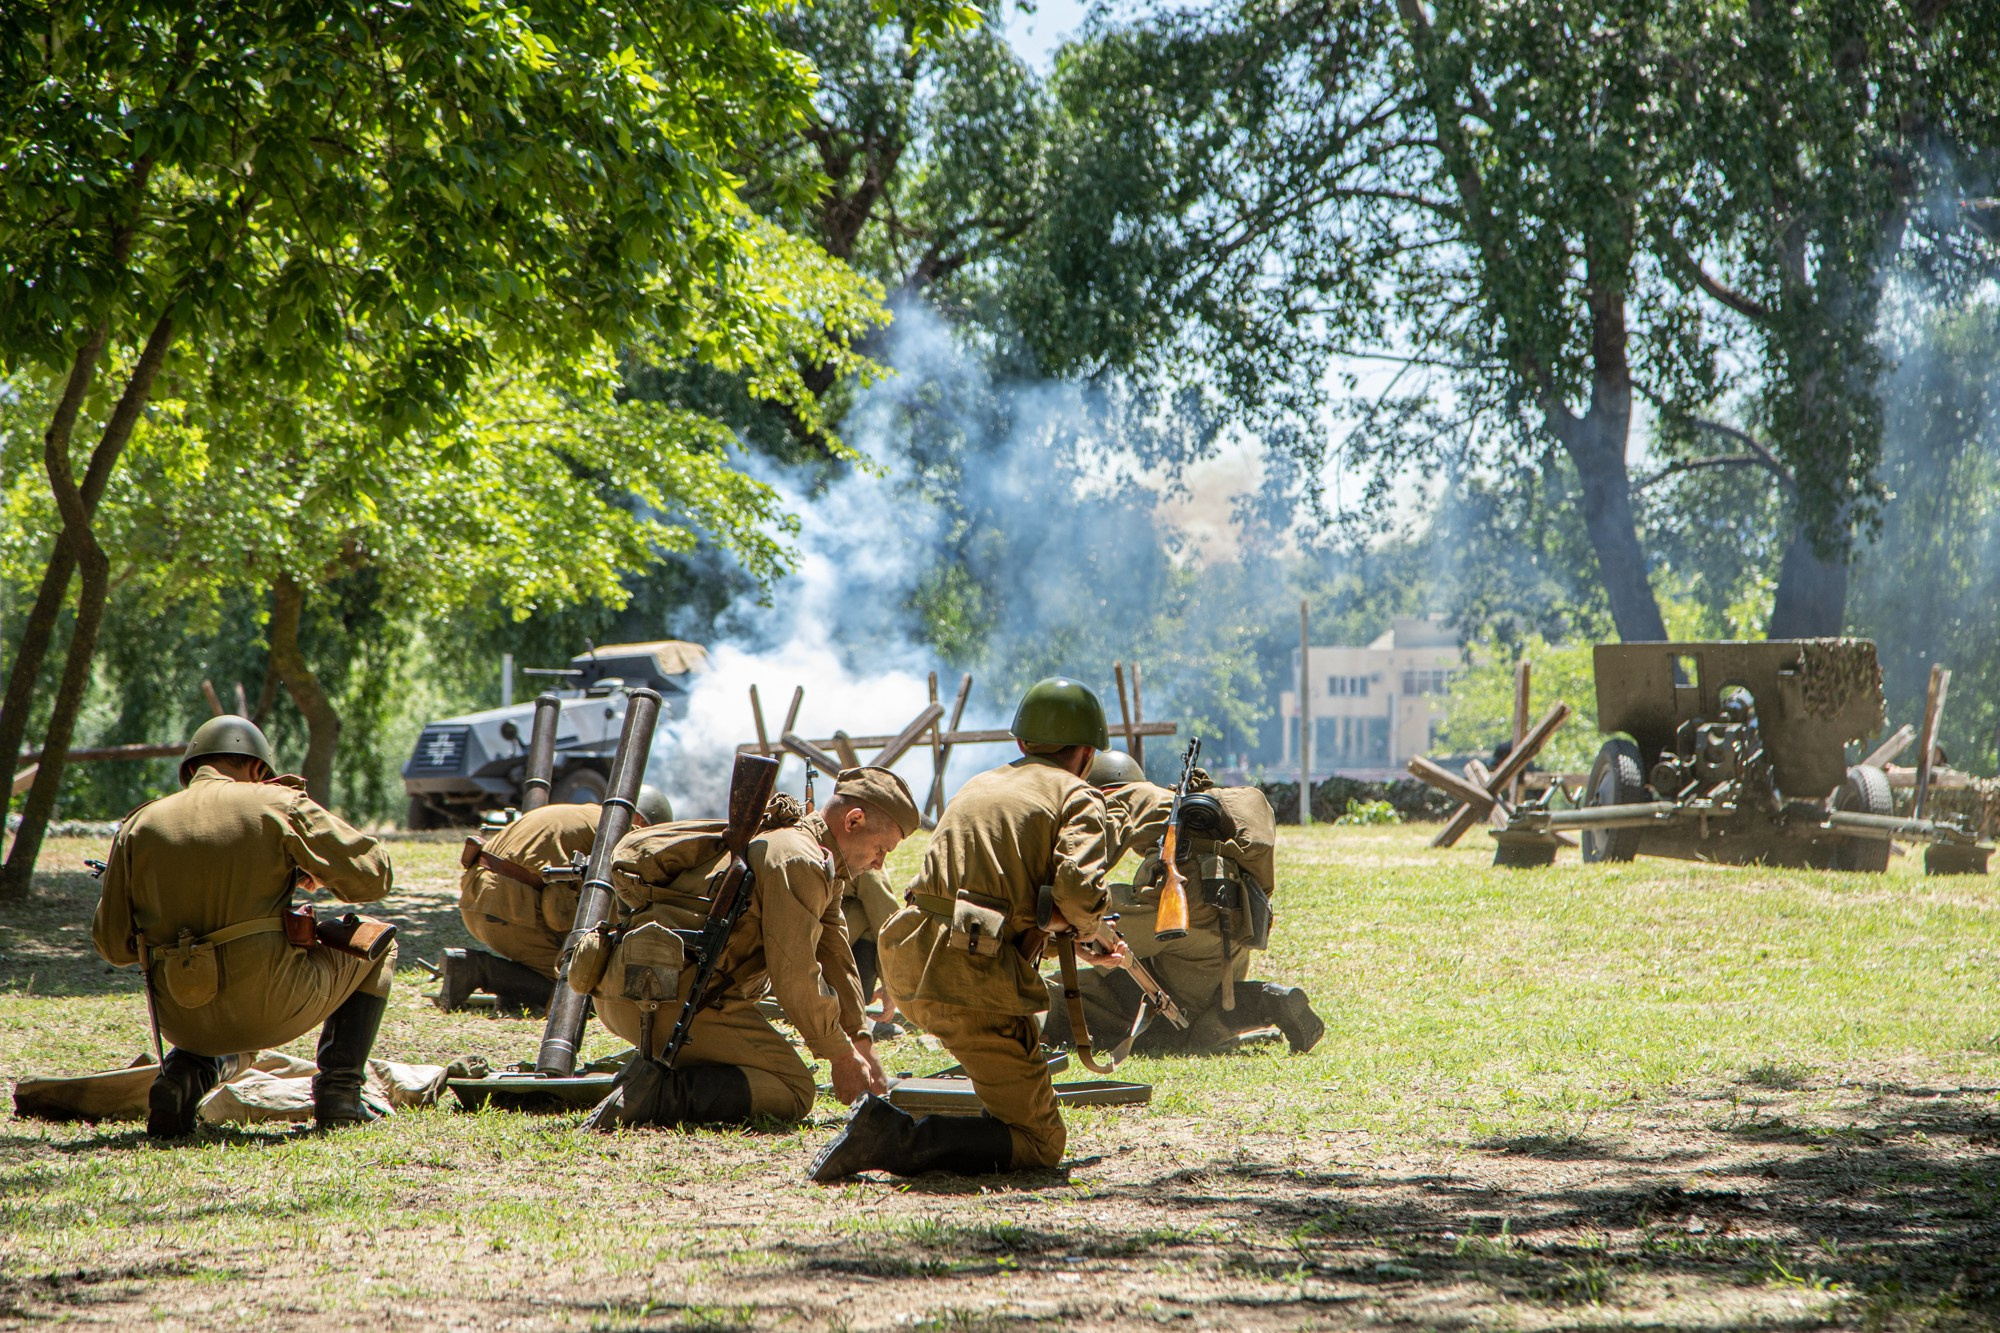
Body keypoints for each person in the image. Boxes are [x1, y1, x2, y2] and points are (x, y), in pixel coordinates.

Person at [811, 677, 1126, 1182]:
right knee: (1040, 1142)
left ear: (1022, 743)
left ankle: (972, 1125)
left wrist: (1073, 936)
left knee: (1007, 1089)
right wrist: (1092, 927)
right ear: (1087, 753)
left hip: (912, 963)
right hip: (971, 976)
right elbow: (1077, 893)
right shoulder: (1078, 794)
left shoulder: (981, 783)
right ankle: (890, 1136)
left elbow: (998, 892)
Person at [91, 716, 396, 1138]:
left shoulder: (139, 825)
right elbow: (374, 876)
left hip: (183, 1020)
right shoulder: (277, 803)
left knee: (215, 1023)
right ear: (257, 769)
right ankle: (340, 1094)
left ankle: (183, 1077)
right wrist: (314, 868)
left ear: (191, 769)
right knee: (375, 941)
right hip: (272, 1009)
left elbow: (114, 947)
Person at [585, 767, 921, 1130]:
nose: (879, 862)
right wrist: (840, 1056)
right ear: (853, 821)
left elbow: (833, 949)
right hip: (664, 999)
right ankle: (658, 1093)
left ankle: (667, 1072)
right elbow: (794, 974)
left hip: (650, 989)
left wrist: (860, 1039)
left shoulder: (817, 856)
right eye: (880, 848)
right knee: (793, 1088)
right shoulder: (799, 859)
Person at [1041, 752, 1324, 1057]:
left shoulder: (1164, 863)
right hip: (1214, 986)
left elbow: (1087, 914)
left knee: (1049, 993)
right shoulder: (1217, 860)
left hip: (1173, 1002)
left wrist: (1042, 932)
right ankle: (1254, 1004)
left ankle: (1208, 1024)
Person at [441, 785, 673, 1012]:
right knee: (578, 989)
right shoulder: (622, 830)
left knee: (564, 972)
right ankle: (474, 969)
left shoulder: (585, 815)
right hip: (510, 905)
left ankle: (509, 989)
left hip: (480, 897)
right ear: (641, 822)